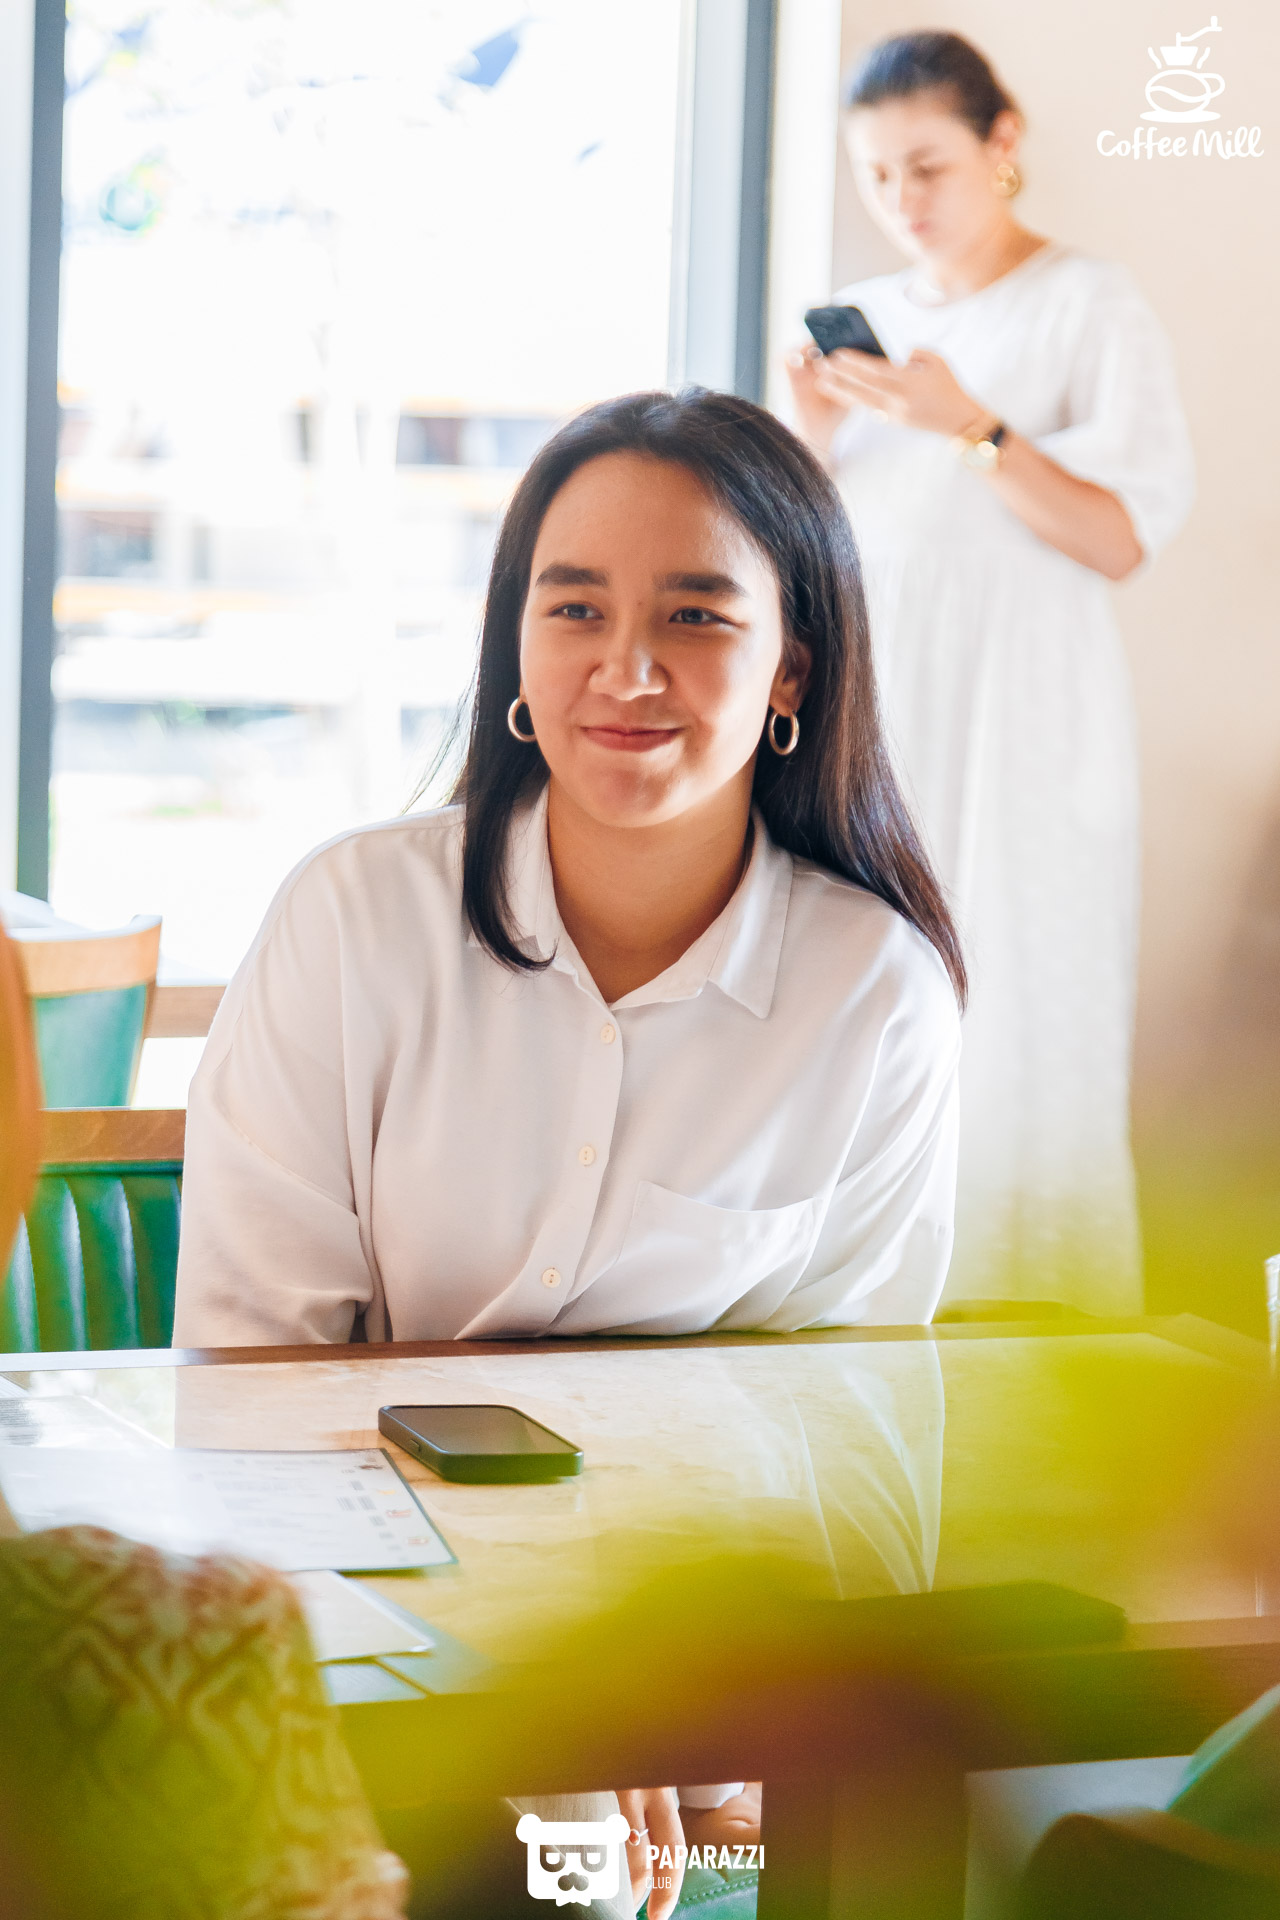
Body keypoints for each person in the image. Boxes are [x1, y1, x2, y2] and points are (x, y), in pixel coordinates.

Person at [173, 386, 964, 1913]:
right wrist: (516, 1704)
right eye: (577, 607)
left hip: (696, 1671)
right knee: (541, 1870)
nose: (628, 668)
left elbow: (860, 1453)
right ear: (517, 650)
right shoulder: (352, 922)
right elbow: (252, 1389)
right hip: (356, 1646)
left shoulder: (878, 994)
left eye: (696, 614)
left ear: (794, 664)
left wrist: (712, 1714)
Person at [786, 31, 1194, 1315]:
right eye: (876, 175)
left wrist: (968, 424)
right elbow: (816, 548)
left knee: (1024, 1000)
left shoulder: (1085, 303)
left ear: (998, 144)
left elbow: (1117, 537)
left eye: (926, 166)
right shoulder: (875, 321)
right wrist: (812, 434)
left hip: (1024, 716)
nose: (901, 200)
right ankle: (865, 1293)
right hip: (889, 710)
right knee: (871, 987)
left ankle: (1036, 1314)